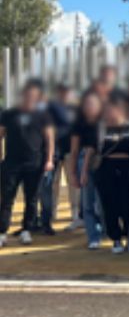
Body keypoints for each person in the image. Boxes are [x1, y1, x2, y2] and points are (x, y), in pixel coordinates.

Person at [0, 79, 55, 247]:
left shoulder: (43, 116)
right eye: (27, 94)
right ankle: (2, 232)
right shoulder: (9, 114)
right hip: (11, 163)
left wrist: (49, 160)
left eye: (33, 95)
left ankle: (26, 231)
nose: (29, 97)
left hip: (35, 163)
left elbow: (49, 138)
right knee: (7, 198)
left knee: (31, 199)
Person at [86, 97, 129, 254]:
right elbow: (91, 150)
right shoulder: (100, 129)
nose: (110, 113)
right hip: (106, 169)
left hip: (127, 168)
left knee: (128, 204)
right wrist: (83, 172)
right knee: (109, 206)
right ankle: (116, 239)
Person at [66, 90, 104, 249]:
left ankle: (105, 231)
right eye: (87, 103)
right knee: (88, 202)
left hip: (103, 160)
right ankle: (93, 236)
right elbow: (74, 150)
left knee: (103, 202)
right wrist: (73, 173)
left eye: (93, 103)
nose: (90, 107)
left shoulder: (105, 121)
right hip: (84, 161)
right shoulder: (78, 123)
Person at [41, 83, 76, 234]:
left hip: (70, 151)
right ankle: (50, 215)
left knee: (72, 184)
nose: (64, 94)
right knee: (52, 185)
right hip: (53, 152)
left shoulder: (75, 109)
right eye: (62, 92)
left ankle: (75, 216)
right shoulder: (49, 108)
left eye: (66, 92)